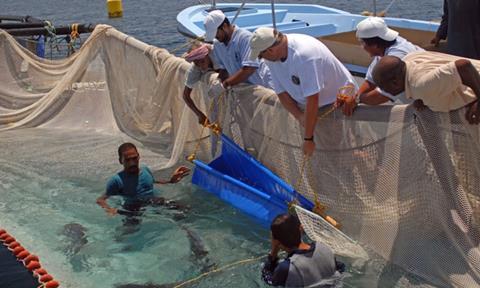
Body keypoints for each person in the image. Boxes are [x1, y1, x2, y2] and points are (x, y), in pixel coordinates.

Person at [249, 27, 357, 156]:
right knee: (321, 154)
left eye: (261, 54)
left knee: (341, 152)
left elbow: (313, 98)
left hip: (336, 104)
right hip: (309, 109)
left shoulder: (304, 56)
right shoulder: (271, 58)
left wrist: (308, 139)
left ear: (271, 50)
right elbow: (281, 91)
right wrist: (300, 116)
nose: (261, 58)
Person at [336, 17, 423, 116]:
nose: (362, 47)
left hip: (431, 103)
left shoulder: (397, 58)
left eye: (362, 43)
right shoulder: (385, 48)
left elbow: (380, 96)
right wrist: (354, 97)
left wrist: (356, 99)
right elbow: (370, 81)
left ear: (374, 45)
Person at [372, 52, 480, 124]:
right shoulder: (409, 58)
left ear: (395, 82)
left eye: (382, 86)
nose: (383, 90)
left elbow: (463, 66)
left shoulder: (421, 85)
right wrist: (422, 99)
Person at [96, 143, 191, 216]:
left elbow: (153, 181)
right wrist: (109, 209)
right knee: (130, 232)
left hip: (152, 200)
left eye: (134, 158)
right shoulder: (116, 180)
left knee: (184, 209)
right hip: (132, 208)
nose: (132, 163)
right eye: (127, 160)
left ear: (138, 156)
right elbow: (100, 200)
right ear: (121, 160)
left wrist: (171, 181)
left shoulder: (145, 169)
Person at [261, 214, 344, 287]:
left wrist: (273, 253)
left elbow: (269, 280)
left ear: (277, 241)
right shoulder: (324, 248)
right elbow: (340, 268)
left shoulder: (287, 268)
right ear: (301, 228)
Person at [204, 10, 273, 89]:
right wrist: (218, 81)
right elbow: (224, 69)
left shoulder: (245, 38)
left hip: (263, 87)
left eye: (216, 33)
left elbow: (249, 68)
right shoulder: (217, 44)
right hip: (243, 89)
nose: (215, 37)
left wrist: (225, 84)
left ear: (224, 26)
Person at [182, 42, 223, 126]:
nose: (201, 65)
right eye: (197, 63)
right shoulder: (195, 70)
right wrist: (199, 114)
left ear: (207, 55)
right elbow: (185, 95)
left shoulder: (219, 54)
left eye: (202, 61)